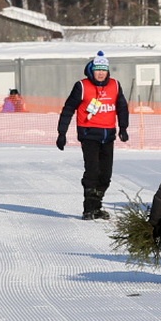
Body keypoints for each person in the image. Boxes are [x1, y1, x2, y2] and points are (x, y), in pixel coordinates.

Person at [56, 51, 130, 220]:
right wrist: (62, 133)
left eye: (104, 70)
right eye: (97, 70)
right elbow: (68, 109)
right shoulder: (81, 86)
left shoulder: (115, 85)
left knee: (105, 175)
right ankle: (89, 209)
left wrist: (123, 128)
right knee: (92, 171)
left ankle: (97, 206)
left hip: (108, 135)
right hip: (89, 134)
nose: (101, 73)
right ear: (91, 70)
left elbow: (122, 108)